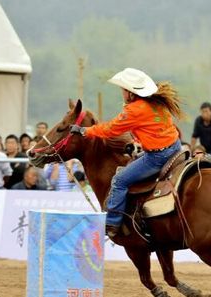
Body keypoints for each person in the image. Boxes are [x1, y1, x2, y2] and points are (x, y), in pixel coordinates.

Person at [70, 67, 183, 237]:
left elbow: (110, 129)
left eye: (123, 89)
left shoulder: (135, 109)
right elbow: (152, 128)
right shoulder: (156, 102)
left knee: (119, 180)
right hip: (174, 147)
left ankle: (112, 223)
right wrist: (137, 142)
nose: (122, 93)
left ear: (130, 92)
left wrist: (86, 131)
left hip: (157, 156)